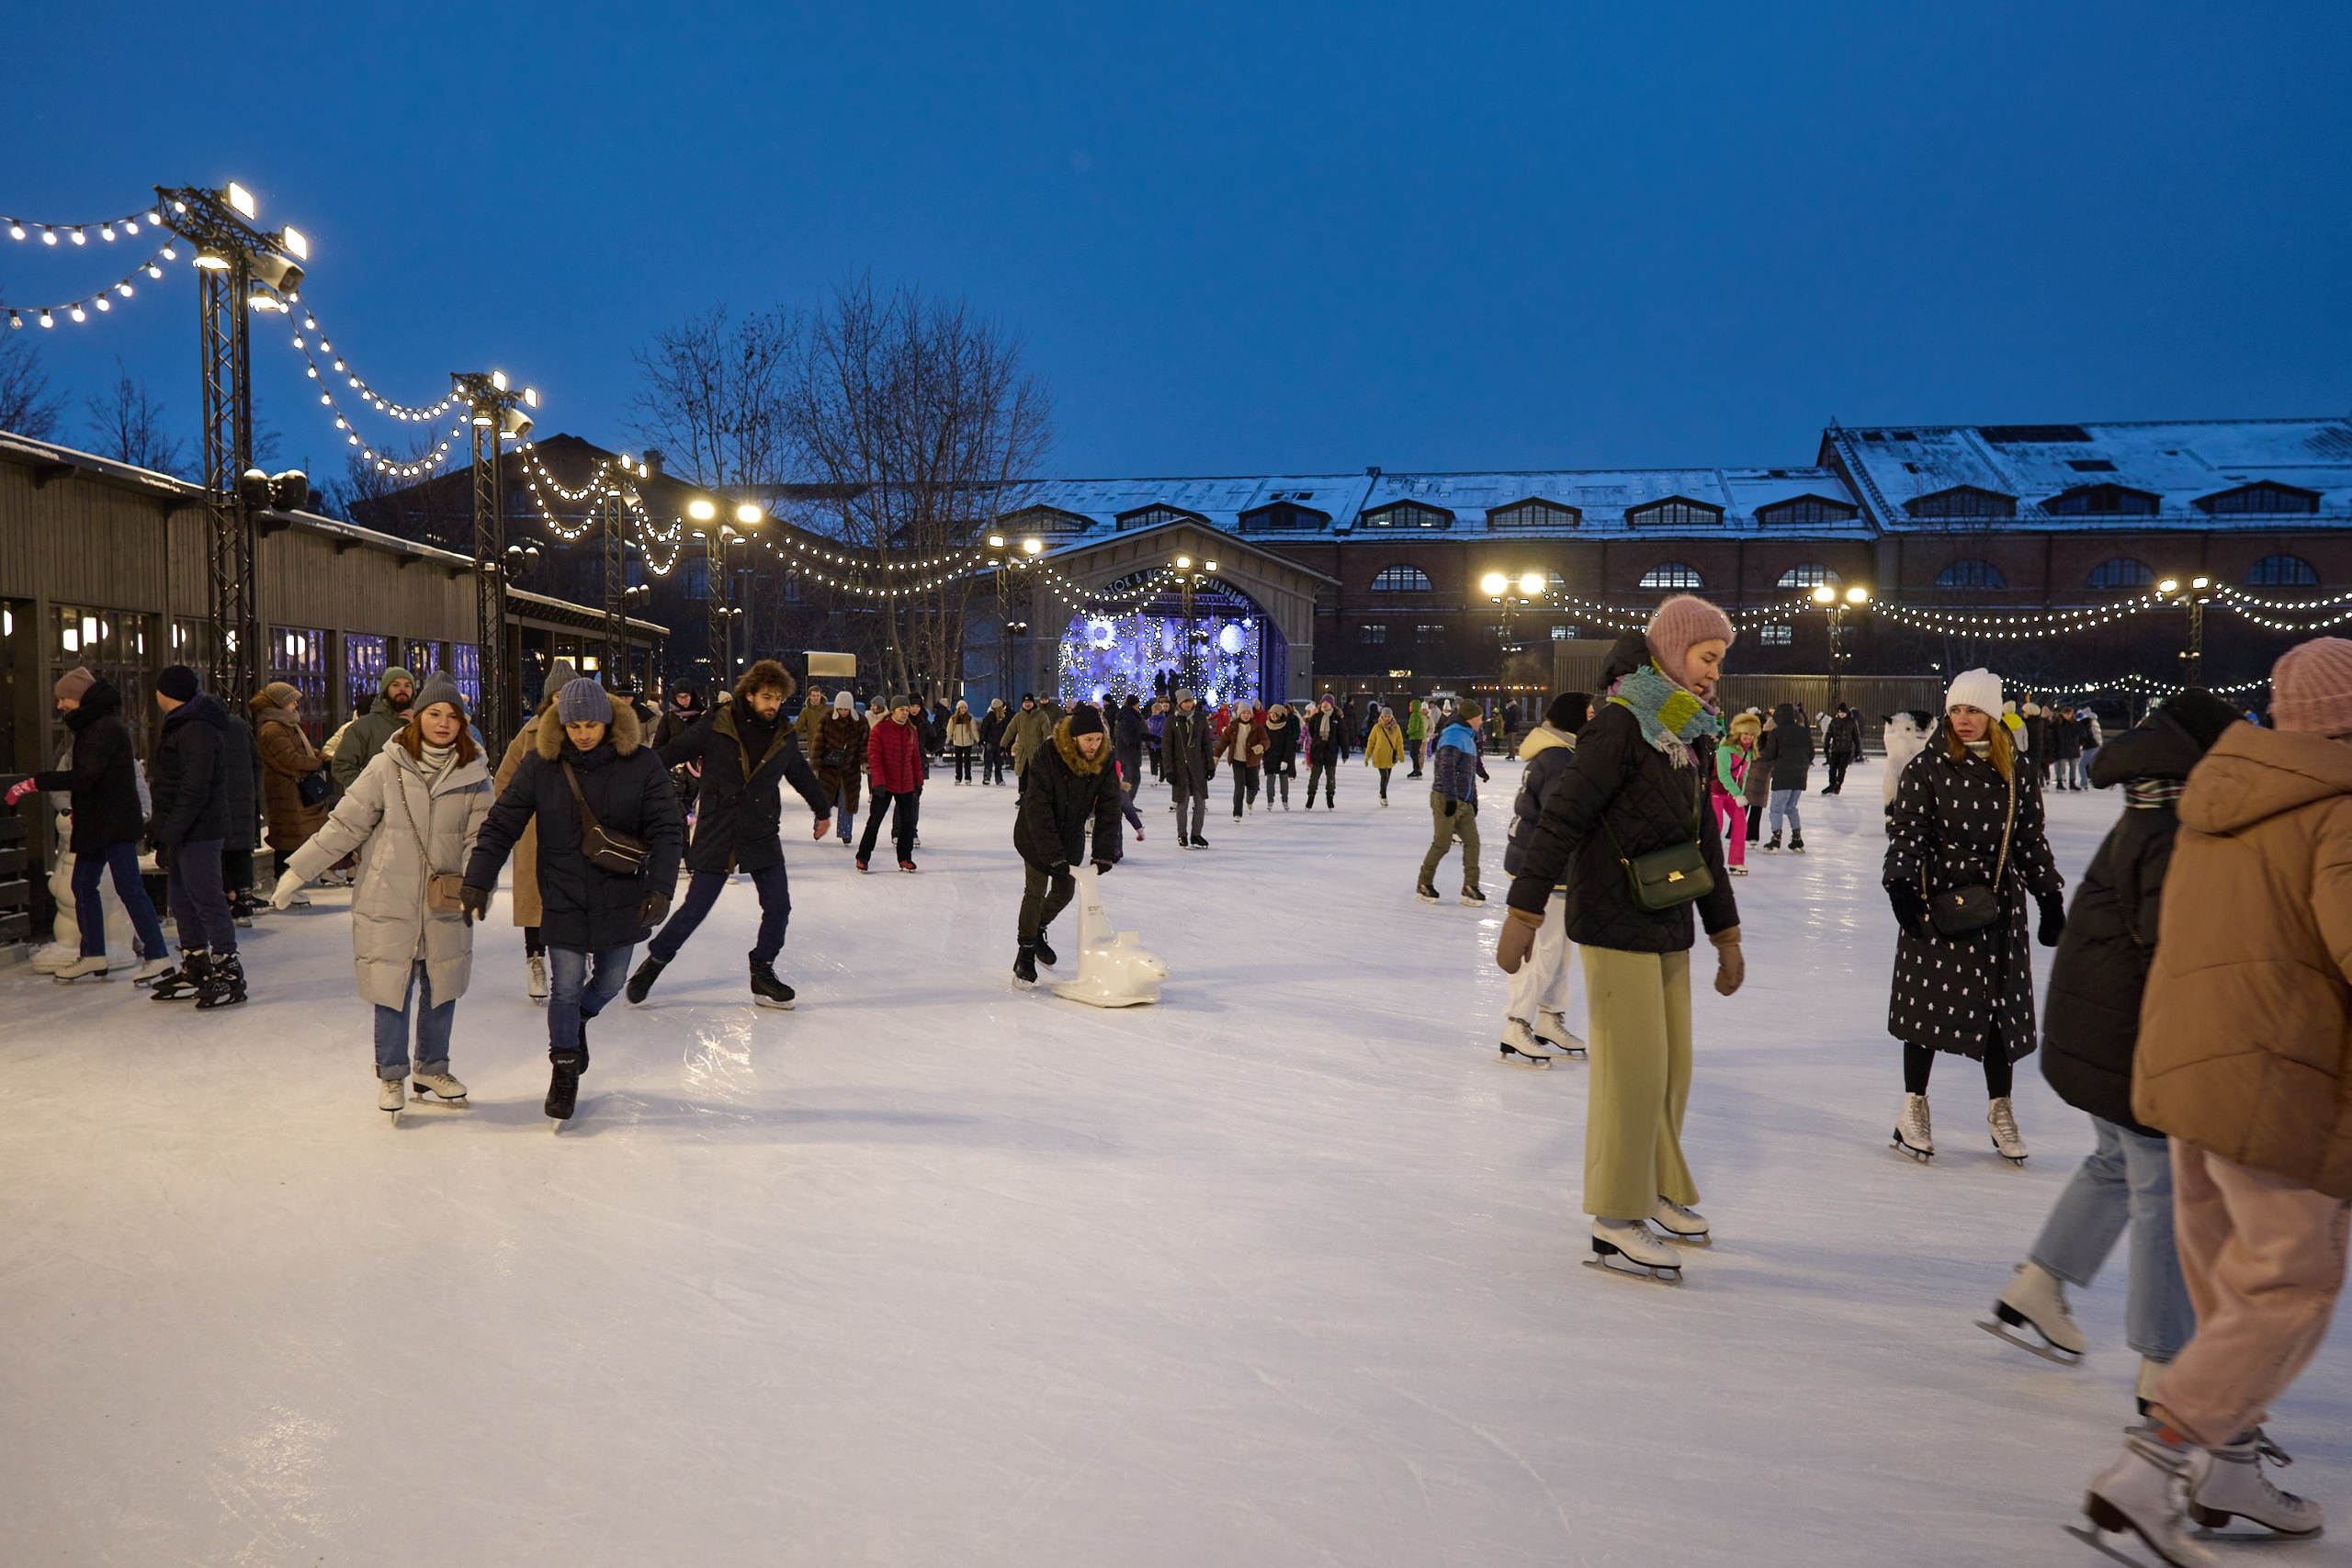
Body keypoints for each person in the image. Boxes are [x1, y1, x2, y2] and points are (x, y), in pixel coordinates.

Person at [2080, 640, 2352, 1559]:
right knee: (2288, 1281)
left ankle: (2226, 1466)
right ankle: (2153, 1465)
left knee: (2227, 1284)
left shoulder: (2216, 796)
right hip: (2277, 1084)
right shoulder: (2338, 809)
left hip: (2188, 1075)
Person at [1984, 691, 2237, 1404]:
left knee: (2114, 1162)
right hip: (2127, 1038)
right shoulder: (2177, 828)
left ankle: (2038, 1284)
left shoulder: (2153, 810)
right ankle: (2164, 1362)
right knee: (2164, 1183)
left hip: (2092, 1029)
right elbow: (2173, 949)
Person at [1496, 598, 1743, 1281]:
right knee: (1631, 1070)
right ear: (1669, 652)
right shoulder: (1621, 726)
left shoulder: (1688, 733)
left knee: (1672, 1066)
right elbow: (1563, 817)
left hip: (1668, 915)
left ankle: (1657, 1189)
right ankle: (1615, 1215)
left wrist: (1726, 932)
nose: (1714, 673)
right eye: (1706, 657)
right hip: (1612, 917)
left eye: (1720, 660)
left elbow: (1705, 842)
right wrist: (1523, 913)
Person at [462, 677, 684, 1123]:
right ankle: (564, 1070)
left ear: (608, 721)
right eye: (574, 725)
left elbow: (667, 827)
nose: (583, 734)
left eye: (592, 724)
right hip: (562, 892)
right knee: (564, 987)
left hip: (621, 891)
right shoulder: (541, 764)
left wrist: (660, 887)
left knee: (610, 981)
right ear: (561, 724)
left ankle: (578, 1020)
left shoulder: (641, 764)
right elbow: (503, 821)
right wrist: (478, 878)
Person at [270, 673, 492, 1114]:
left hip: (444, 898)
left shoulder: (475, 772)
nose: (443, 724)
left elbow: (481, 838)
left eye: (452, 716)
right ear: (418, 717)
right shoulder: (386, 764)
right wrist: (299, 869)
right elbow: (346, 823)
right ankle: (392, 1074)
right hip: (387, 895)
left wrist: (473, 881)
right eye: (434, 714)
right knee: (392, 986)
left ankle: (433, 1066)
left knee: (442, 985)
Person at [1882, 670, 2064, 1164]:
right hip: (1939, 902)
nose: (1963, 720)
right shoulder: (1927, 767)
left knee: (1998, 1012)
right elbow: (1908, 832)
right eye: (1956, 710)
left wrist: (2049, 897)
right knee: (1927, 1009)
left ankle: (2000, 1109)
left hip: (1998, 907)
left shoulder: (2018, 772)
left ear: (1993, 715)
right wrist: (1900, 886)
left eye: (1974, 711)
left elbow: (2029, 839)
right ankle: (1912, 1107)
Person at [628, 660, 832, 1010]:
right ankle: (656, 962)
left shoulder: (781, 733)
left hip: (760, 828)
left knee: (779, 906)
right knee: (695, 909)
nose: (773, 704)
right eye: (767, 697)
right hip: (719, 829)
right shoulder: (718, 723)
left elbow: (799, 773)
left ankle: (762, 970)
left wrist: (823, 810)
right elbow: (674, 751)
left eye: (779, 698)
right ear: (749, 694)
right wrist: (631, 775)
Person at [5, 666, 172, 983]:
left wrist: (35, 783)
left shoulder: (102, 729)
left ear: (79, 698)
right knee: (82, 885)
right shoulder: (92, 726)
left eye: (63, 698)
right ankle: (93, 953)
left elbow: (84, 777)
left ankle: (158, 954)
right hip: (98, 825)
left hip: (113, 825)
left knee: (129, 890)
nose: (59, 706)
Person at [1498, 691, 1592, 1065]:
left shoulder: (1560, 753)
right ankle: (1516, 1021)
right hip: (1544, 867)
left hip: (1554, 867)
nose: (1593, 718)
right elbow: (1560, 820)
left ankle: (1549, 1017)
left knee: (1561, 947)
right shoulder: (1558, 758)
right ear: (1572, 718)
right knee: (1543, 947)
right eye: (1588, 713)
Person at [143, 665, 244, 1008]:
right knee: (182, 898)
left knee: (206, 897)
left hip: (199, 829)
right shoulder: (183, 726)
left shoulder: (196, 730)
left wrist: (170, 834)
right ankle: (197, 962)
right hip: (184, 828)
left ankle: (228, 967)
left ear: (165, 692)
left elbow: (194, 789)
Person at [1011, 704, 1123, 985]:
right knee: (1035, 892)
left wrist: (1104, 854)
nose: (1094, 745)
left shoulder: (1105, 759)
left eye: (1098, 739)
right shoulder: (1049, 754)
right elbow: (1038, 807)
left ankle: (1038, 931)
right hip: (1036, 833)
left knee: (1064, 891)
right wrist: (1051, 855)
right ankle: (1025, 952)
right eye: (1088, 740)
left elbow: (1110, 807)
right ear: (1074, 737)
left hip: (1071, 834)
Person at [494, 658, 573, 1003]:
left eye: (567, 694)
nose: (561, 701)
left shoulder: (590, 729)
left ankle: (575, 958)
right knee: (535, 898)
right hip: (537, 832)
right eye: (556, 695)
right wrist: (523, 813)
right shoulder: (529, 735)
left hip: (579, 829)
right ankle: (535, 959)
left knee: (575, 892)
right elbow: (503, 781)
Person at [250, 682, 329, 897]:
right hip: (286, 790)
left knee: (294, 836)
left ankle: (290, 883)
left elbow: (304, 750)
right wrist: (319, 764)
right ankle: (284, 884)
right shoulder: (273, 728)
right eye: (291, 700)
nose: (295, 703)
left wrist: (323, 758)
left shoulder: (286, 724)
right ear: (278, 703)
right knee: (287, 838)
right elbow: (289, 758)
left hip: (293, 788)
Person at [1418, 701, 1489, 905]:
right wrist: (1450, 797)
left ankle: (1470, 887)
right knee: (1442, 843)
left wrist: (1473, 801)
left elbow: (1468, 775)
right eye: (1479, 717)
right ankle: (1424, 883)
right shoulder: (1453, 735)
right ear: (1470, 718)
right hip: (1445, 798)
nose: (1482, 720)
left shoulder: (1468, 737)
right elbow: (1446, 768)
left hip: (1464, 800)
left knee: (1472, 842)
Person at [858, 695, 926, 872]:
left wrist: (918, 782)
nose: (905, 713)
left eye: (907, 710)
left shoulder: (911, 731)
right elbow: (874, 757)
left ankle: (905, 857)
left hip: (905, 784)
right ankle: (863, 857)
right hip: (885, 784)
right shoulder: (880, 730)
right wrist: (878, 782)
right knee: (875, 821)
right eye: (902, 710)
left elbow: (915, 759)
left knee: (907, 823)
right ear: (893, 711)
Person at [330, 665, 416, 792]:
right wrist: (373, 789)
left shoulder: (422, 725)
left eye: (407, 685)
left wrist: (417, 726)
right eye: (395, 685)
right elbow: (341, 766)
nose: (402, 689)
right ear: (385, 690)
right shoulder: (363, 727)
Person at [1163, 689, 1216, 849]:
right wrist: (1169, 770)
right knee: (1182, 803)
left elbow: (1207, 744)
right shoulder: (1172, 721)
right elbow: (1167, 749)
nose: (1188, 704)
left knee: (1200, 803)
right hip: (1180, 769)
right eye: (1185, 701)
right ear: (1179, 703)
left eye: (1190, 701)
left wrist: (1210, 766)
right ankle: (1182, 834)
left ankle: (1196, 834)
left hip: (1198, 768)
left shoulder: (1199, 719)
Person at [1758, 701, 1813, 851]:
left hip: (1783, 776)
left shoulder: (1777, 732)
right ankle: (1797, 837)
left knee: (1776, 808)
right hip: (1800, 777)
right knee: (1791, 807)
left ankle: (1776, 838)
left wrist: (1757, 755)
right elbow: (1811, 753)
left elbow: (1769, 754)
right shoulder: (1803, 732)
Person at [813, 690, 865, 845]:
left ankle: (845, 832)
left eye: (846, 709)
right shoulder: (827, 719)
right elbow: (819, 741)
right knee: (824, 799)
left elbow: (864, 744)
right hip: (829, 768)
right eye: (840, 709)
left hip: (850, 768)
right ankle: (818, 826)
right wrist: (816, 764)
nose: (843, 712)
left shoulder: (860, 722)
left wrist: (865, 762)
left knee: (847, 800)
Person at [1713, 711, 1758, 875]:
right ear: (1739, 732)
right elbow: (1723, 773)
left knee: (1740, 823)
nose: (1748, 737)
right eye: (1746, 733)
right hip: (1716, 790)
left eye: (1751, 735)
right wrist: (1737, 793)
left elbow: (1744, 775)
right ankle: (1708, 861)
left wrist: (1740, 793)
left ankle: (1736, 862)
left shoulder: (1748, 751)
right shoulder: (1726, 746)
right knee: (1716, 826)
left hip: (1733, 792)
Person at [1216, 697, 1268, 821]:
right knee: (1239, 786)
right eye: (1243, 713)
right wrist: (1216, 756)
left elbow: (1266, 741)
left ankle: (1249, 801)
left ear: (1251, 714)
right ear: (1239, 714)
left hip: (1252, 762)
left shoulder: (1257, 727)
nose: (1246, 715)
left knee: (1253, 787)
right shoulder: (1233, 727)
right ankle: (1237, 813)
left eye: (1248, 713)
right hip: (1237, 760)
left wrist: (1261, 746)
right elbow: (1223, 742)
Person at [1881, 710, 1931, 819]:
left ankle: (1894, 813)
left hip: (1911, 763)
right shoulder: (1898, 732)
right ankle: (1891, 813)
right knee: (1894, 784)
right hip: (1902, 762)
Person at [1306, 694, 1351, 809]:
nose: (1325, 704)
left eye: (1328, 702)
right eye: (1323, 702)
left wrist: (1345, 753)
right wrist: (1316, 743)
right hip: (1317, 751)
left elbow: (1343, 736)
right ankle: (1310, 798)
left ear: (1332, 704)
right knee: (1314, 778)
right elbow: (1312, 732)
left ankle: (1330, 798)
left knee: (1331, 778)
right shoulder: (1316, 717)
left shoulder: (1337, 719)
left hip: (1330, 751)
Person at [1004, 693, 1053, 797]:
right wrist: (1002, 745)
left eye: (1029, 702)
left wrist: (1046, 747)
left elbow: (1046, 732)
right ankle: (1022, 795)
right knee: (1022, 773)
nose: (1027, 704)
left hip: (1036, 752)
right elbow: (1010, 731)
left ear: (1033, 703)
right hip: (1022, 752)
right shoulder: (1018, 717)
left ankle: (1035, 797)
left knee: (1035, 775)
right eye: (1025, 702)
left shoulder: (1041, 716)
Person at [1363, 705, 1406, 804]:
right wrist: (1367, 756)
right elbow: (1371, 742)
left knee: (1388, 777)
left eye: (1388, 716)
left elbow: (1399, 742)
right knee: (1384, 777)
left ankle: (1382, 791)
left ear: (1392, 717)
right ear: (1381, 717)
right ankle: (1384, 797)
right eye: (1385, 716)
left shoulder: (1396, 727)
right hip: (1380, 756)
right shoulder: (1377, 727)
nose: (1387, 718)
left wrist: (1401, 754)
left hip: (1390, 756)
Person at [1260, 703, 1298, 809]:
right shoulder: (1266, 727)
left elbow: (1289, 745)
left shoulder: (1286, 726)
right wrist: (1263, 756)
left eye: (1275, 714)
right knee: (1270, 779)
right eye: (1271, 713)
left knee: (1284, 780)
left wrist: (1286, 760)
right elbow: (1263, 741)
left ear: (1280, 715)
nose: (1273, 716)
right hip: (1270, 757)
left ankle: (1285, 800)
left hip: (1282, 757)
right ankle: (1270, 800)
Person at [1822, 703, 1863, 795]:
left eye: (1843, 712)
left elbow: (1856, 736)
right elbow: (1828, 734)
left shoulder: (1852, 721)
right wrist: (1826, 745)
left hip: (1847, 750)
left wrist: (1857, 749)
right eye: (1840, 712)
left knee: (1841, 768)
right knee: (1832, 768)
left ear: (1846, 712)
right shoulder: (1834, 721)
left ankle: (1838, 784)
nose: (1841, 714)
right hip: (1835, 749)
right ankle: (1832, 784)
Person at [660, 685, 709, 751]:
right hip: (674, 758)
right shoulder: (668, 716)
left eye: (686, 696)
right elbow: (659, 742)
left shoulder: (702, 716)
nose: (683, 700)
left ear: (691, 696)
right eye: (679, 697)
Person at [945, 699, 980, 784]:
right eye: (962, 708)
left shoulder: (970, 718)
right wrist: (946, 742)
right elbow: (949, 731)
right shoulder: (953, 719)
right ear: (958, 708)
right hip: (958, 742)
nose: (963, 709)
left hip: (968, 742)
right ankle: (958, 777)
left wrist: (979, 741)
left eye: (965, 708)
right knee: (958, 761)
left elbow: (974, 730)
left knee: (967, 761)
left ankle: (968, 777)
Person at [2052, 705, 2086, 791]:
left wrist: (2080, 743)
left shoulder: (2075, 724)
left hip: (2073, 747)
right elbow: (2053, 735)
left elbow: (2083, 734)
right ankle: (2059, 783)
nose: (2068, 716)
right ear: (2062, 714)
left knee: (2073, 766)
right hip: (2061, 747)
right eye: (2066, 714)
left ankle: (2072, 783)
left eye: (2069, 714)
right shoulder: (2058, 723)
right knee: (2061, 766)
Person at [979, 696, 1011, 785]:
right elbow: (983, 729)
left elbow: (1006, 730)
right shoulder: (989, 717)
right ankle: (987, 777)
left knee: (999, 761)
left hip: (999, 743)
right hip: (990, 742)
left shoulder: (1003, 718)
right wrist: (982, 739)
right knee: (988, 761)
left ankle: (999, 778)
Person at [1145, 697, 1167, 781]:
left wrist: (1158, 738)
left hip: (1160, 743)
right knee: (1153, 761)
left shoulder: (1163, 720)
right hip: (1152, 743)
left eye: (1156, 709)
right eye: (1153, 709)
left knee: (1162, 761)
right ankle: (1154, 775)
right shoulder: (1150, 720)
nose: (1154, 711)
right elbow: (1148, 729)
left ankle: (1162, 776)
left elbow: (1163, 730)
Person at [1405, 700, 1428, 778]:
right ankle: (1416, 769)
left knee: (1413, 753)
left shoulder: (1415, 715)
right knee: (1414, 753)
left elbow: (1415, 727)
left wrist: (1407, 732)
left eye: (1411, 706)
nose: (1410, 708)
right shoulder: (1417, 714)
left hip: (1416, 737)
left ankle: (1417, 770)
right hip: (1417, 737)